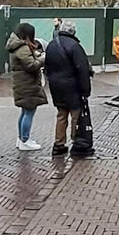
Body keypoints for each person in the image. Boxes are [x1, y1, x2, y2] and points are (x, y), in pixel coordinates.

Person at [45, 20, 92, 155]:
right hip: (72, 87)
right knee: (75, 115)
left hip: (56, 86)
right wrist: (85, 90)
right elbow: (82, 70)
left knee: (61, 114)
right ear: (73, 31)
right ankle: (77, 142)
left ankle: (59, 143)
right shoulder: (75, 46)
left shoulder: (52, 45)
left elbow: (47, 67)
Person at [8, 22, 49, 149]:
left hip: (22, 84)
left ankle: (21, 139)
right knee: (29, 112)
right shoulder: (23, 48)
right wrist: (42, 59)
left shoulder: (17, 47)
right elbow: (31, 66)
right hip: (27, 85)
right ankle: (25, 140)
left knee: (25, 111)